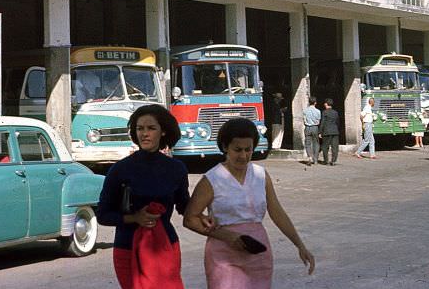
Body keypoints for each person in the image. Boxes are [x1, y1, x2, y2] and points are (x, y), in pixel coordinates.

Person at [183, 118, 315, 288]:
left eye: (248, 149)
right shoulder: (212, 179)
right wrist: (228, 236)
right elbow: (190, 219)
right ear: (225, 147)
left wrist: (300, 245)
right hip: (223, 256)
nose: (243, 156)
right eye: (237, 150)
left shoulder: (261, 175)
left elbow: (277, 212)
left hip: (257, 252)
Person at [98, 105, 209, 289]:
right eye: (140, 128)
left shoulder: (176, 169)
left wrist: (203, 217)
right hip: (127, 247)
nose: (144, 134)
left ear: (163, 131)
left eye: (151, 128)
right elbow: (103, 215)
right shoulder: (120, 170)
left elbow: (184, 206)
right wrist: (135, 218)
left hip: (166, 246)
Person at [319, 98, 340, 165]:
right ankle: (333, 161)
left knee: (325, 147)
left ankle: (326, 161)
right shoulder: (335, 112)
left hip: (326, 132)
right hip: (335, 131)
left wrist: (320, 132)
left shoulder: (324, 112)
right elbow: (338, 122)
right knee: (335, 147)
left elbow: (322, 123)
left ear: (326, 104)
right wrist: (337, 129)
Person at [302, 97, 321, 165]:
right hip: (315, 127)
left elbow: (304, 120)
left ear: (309, 102)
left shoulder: (305, 111)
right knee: (316, 143)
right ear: (315, 103)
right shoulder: (318, 111)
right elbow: (318, 121)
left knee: (307, 143)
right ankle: (315, 159)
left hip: (307, 127)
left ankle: (309, 157)